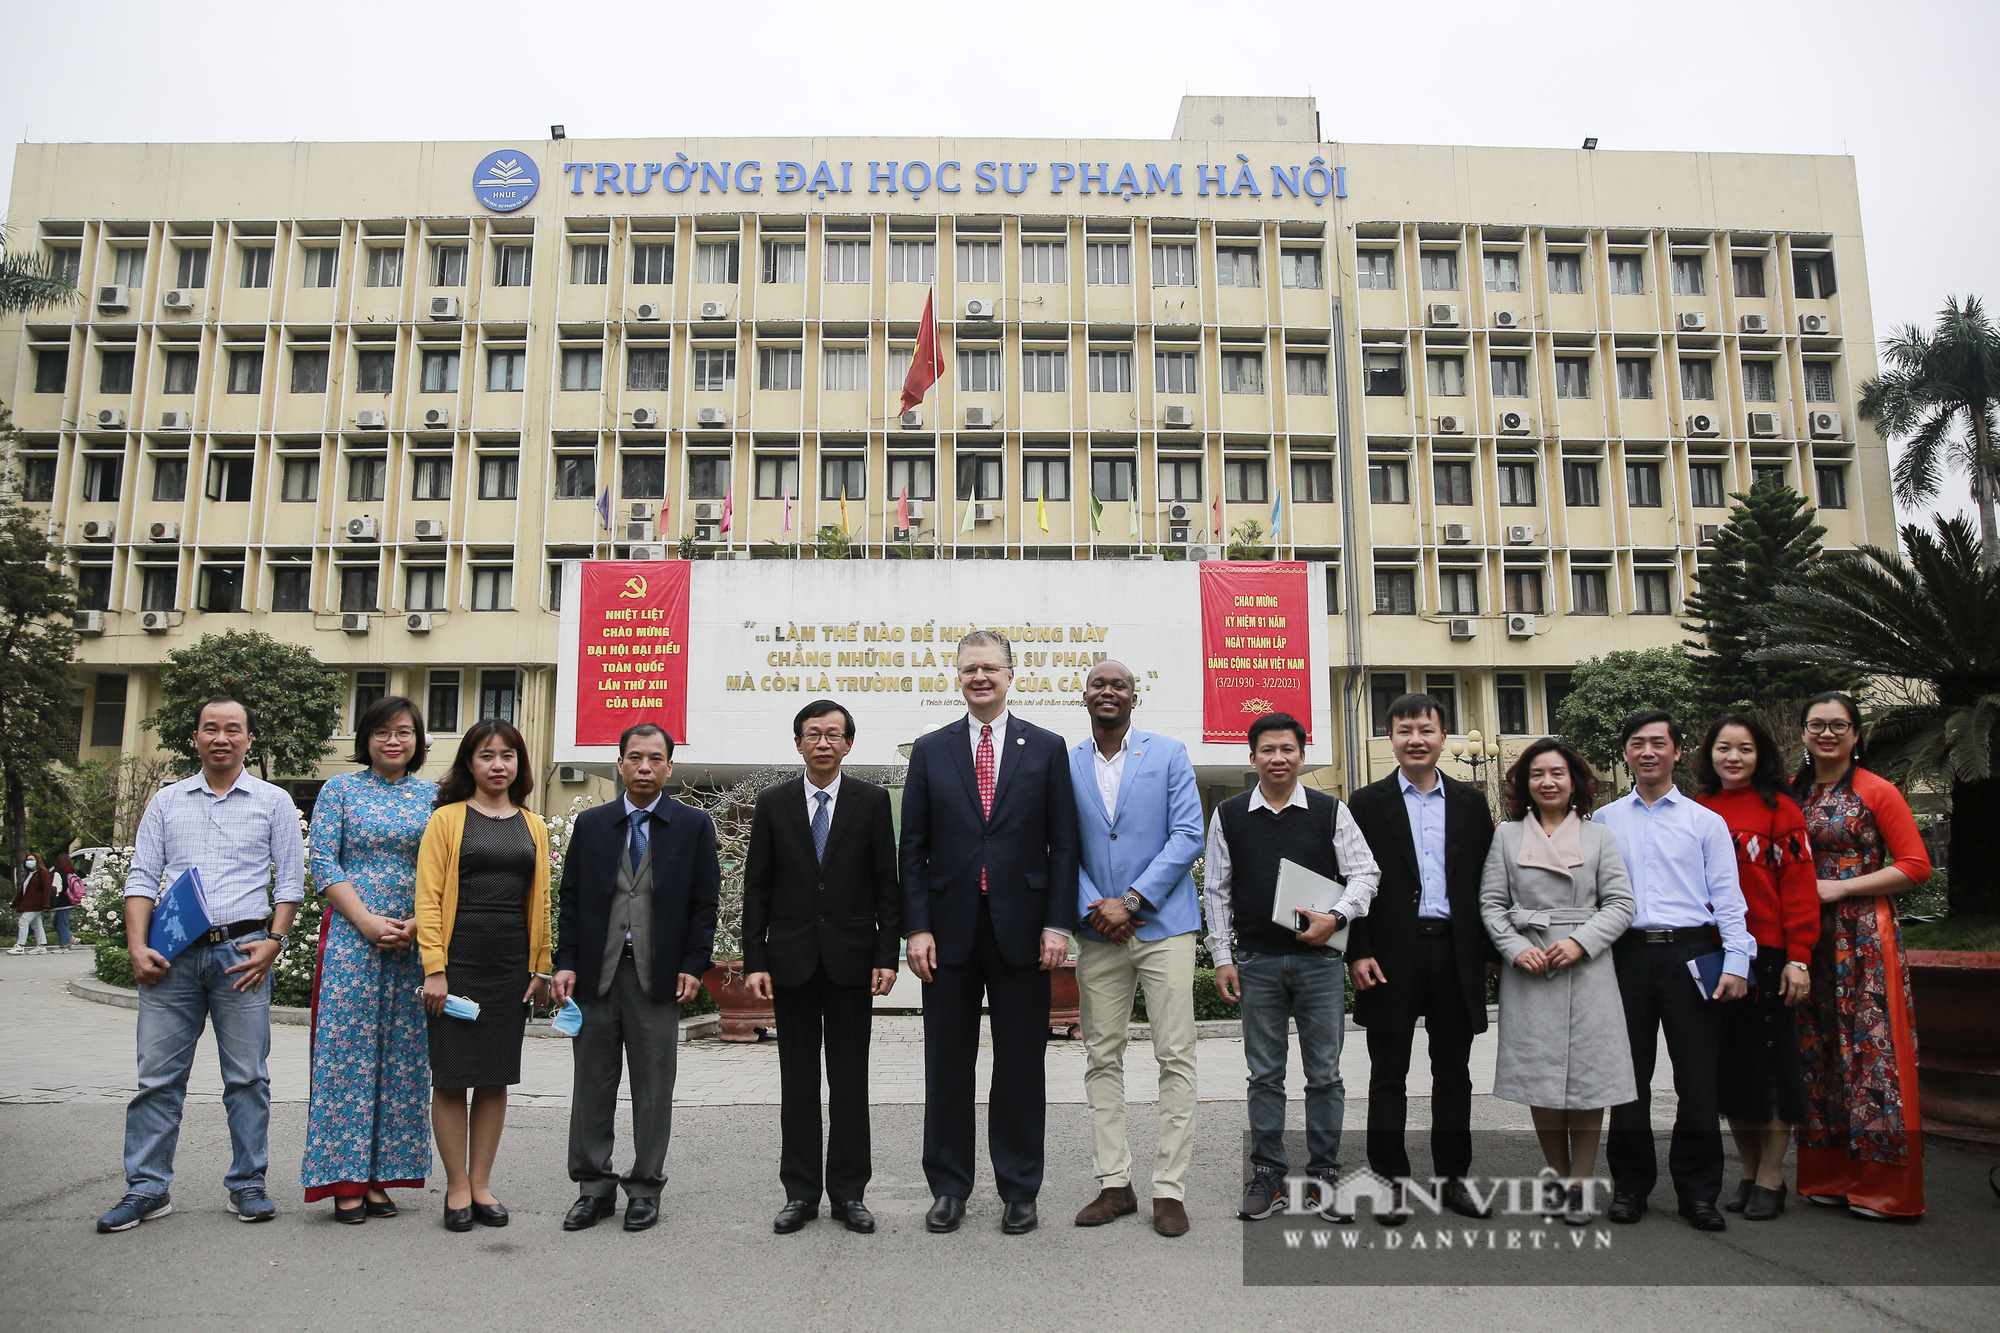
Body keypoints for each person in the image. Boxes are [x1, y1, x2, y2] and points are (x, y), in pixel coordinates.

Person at [96, 696, 305, 1233]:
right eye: (210, 729)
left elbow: (288, 883)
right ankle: (146, 1188)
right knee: (158, 1080)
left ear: (248, 739)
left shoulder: (274, 801)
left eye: (233, 729)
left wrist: (274, 941)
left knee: (247, 1078)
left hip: (243, 955)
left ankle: (248, 1185)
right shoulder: (167, 801)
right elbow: (142, 876)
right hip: (173, 958)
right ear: (194, 738)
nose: (221, 738)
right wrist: (137, 946)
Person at [901, 629, 1079, 1236]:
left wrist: (1058, 922)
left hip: (1025, 933)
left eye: (991, 668)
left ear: (1011, 675)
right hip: (948, 934)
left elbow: (1064, 845)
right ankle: (949, 1188)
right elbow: (914, 849)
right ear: (958, 676)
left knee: (1021, 1065)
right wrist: (917, 927)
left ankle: (1019, 1189)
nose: (981, 677)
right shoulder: (930, 749)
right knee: (946, 1065)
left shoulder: (1048, 747)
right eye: (970, 668)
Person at [1204, 712, 1381, 1224]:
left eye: (1288, 749)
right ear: (1252, 756)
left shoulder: (1330, 811)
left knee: (1324, 1075)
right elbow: (1216, 890)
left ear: (1302, 754)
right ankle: (1268, 1176)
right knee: (1265, 1075)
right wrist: (1222, 958)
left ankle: (1324, 1175)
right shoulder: (1230, 815)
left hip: (1320, 965)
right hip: (1257, 962)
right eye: (1267, 750)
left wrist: (1337, 918)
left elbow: (1365, 873)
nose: (1278, 758)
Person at [551, 722, 718, 1234]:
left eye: (655, 759)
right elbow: (573, 898)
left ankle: (645, 1187)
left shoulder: (692, 826)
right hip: (597, 978)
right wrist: (565, 960)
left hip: (659, 977)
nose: (644, 767)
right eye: (634, 758)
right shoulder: (594, 824)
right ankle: (593, 1188)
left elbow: (702, 904)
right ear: (619, 763)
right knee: (592, 1086)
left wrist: (693, 965)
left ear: (669, 767)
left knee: (653, 1088)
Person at [743, 700, 899, 1236]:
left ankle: (850, 1193)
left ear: (849, 744)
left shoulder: (872, 801)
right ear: (798, 743)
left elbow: (886, 886)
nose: (824, 743)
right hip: (791, 962)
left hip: (853, 961)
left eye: (834, 734)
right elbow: (756, 889)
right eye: (813, 734)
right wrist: (755, 959)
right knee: (798, 1081)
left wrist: (886, 955)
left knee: (851, 1081)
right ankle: (800, 1193)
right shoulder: (773, 803)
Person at [1595, 711, 1754, 1232]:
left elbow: (1729, 900)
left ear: (1678, 752)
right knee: (1629, 1078)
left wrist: (1737, 962)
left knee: (1698, 1081)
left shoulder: (1705, 821)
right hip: (1627, 955)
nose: (1647, 752)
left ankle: (1699, 1191)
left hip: (1691, 956)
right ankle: (1631, 1187)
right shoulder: (1604, 821)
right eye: (1637, 743)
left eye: (1658, 743)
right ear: (1625, 754)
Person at [1346, 693, 1498, 1224]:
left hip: (1456, 952)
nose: (1416, 739)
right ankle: (1389, 1183)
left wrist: (1489, 951)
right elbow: (1352, 882)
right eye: (1405, 730)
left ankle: (1453, 1179)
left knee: (1453, 1072)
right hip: (1388, 956)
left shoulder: (1471, 803)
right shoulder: (1364, 804)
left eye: (1426, 730)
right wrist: (1357, 951)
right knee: (1388, 1073)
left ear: (1443, 736)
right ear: (1391, 738)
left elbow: (1486, 881)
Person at [1065, 661, 1205, 1238]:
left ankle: (1169, 1188)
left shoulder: (1168, 754)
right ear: (1085, 696)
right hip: (1097, 931)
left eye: (1118, 684)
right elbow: (1055, 841)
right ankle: (1114, 1184)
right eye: (1098, 684)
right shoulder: (1065, 762)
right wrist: (1097, 904)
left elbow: (1188, 834)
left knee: (1175, 1055)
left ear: (1133, 695)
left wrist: (1134, 899)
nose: (1107, 692)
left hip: (1164, 925)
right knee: (1103, 1056)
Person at [1479, 737, 1636, 1225]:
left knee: (1589, 1080)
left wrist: (1581, 942)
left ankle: (1581, 1183)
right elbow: (1491, 905)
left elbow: (1621, 904)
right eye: (1537, 775)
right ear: (1524, 784)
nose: (1548, 782)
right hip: (1530, 970)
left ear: (1576, 783)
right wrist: (1516, 948)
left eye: (1558, 774)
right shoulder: (1506, 836)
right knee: (1540, 1078)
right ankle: (1557, 1174)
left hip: (1587, 968)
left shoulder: (1599, 837)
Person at [1791, 691, 1932, 1220]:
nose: (1827, 734)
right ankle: (1828, 1176)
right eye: (1817, 725)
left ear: (1855, 733)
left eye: (1839, 726)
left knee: (1872, 1055)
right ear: (1804, 733)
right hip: (1808, 937)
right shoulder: (1790, 793)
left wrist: (1841, 888)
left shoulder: (1879, 790)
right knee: (1817, 1050)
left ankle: (1884, 1188)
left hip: (1865, 936)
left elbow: (1916, 865)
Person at [301, 696, 438, 1223]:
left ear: (418, 741)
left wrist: (418, 926)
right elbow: (322, 859)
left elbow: (446, 867)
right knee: (346, 1057)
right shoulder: (340, 790)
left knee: (405, 1060)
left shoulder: (433, 797)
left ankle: (385, 1176)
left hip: (413, 942)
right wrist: (365, 921)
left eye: (404, 732)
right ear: (366, 739)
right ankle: (345, 1179)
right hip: (351, 941)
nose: (393, 741)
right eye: (382, 732)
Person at [416, 719, 552, 1233]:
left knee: (495, 1077)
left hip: (509, 966)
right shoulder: (447, 820)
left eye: (508, 756)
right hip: (457, 964)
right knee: (452, 1078)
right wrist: (435, 969)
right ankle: (455, 1187)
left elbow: (538, 902)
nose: (499, 765)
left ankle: (481, 1184)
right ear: (469, 764)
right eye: (487, 756)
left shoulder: (533, 825)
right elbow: (427, 899)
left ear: (519, 764)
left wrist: (539, 968)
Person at [1692, 711, 1819, 1223]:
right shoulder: (1699, 809)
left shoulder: (1781, 810)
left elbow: (1800, 889)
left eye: (1744, 748)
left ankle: (1773, 1175)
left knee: (1770, 1070)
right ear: (1709, 754)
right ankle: (1746, 1173)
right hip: (1714, 956)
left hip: (1769, 956)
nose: (1734, 757)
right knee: (1732, 1071)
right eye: (1724, 748)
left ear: (1760, 755)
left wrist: (1798, 958)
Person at [10, 853, 54, 954]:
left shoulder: (43, 873)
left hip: (37, 904)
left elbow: (46, 889)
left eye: (31, 859)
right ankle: (41, 945)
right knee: (37, 925)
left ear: (37, 861)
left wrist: (46, 904)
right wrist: (14, 904)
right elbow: (22, 891)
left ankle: (20, 945)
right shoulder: (30, 874)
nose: (28, 862)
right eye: (27, 860)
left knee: (23, 921)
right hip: (30, 904)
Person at [51, 851, 85, 952]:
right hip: (70, 901)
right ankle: (71, 939)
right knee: (57, 922)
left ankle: (64, 946)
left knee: (61, 923)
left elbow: (57, 889)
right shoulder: (71, 873)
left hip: (62, 903)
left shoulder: (58, 874)